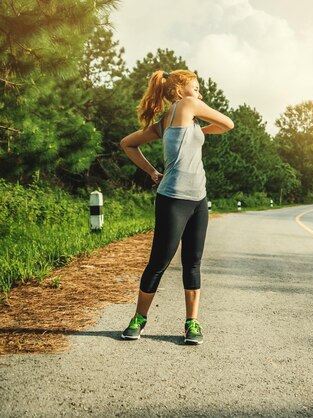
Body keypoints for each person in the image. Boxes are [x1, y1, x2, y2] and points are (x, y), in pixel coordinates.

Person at [119, 69, 234, 344]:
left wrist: (152, 171)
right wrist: (152, 172)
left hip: (199, 199)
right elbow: (228, 123)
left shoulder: (167, 121)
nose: (200, 93)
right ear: (180, 91)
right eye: (196, 87)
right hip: (173, 199)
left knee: (192, 263)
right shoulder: (187, 105)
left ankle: (192, 323)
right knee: (159, 262)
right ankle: (139, 319)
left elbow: (127, 144)